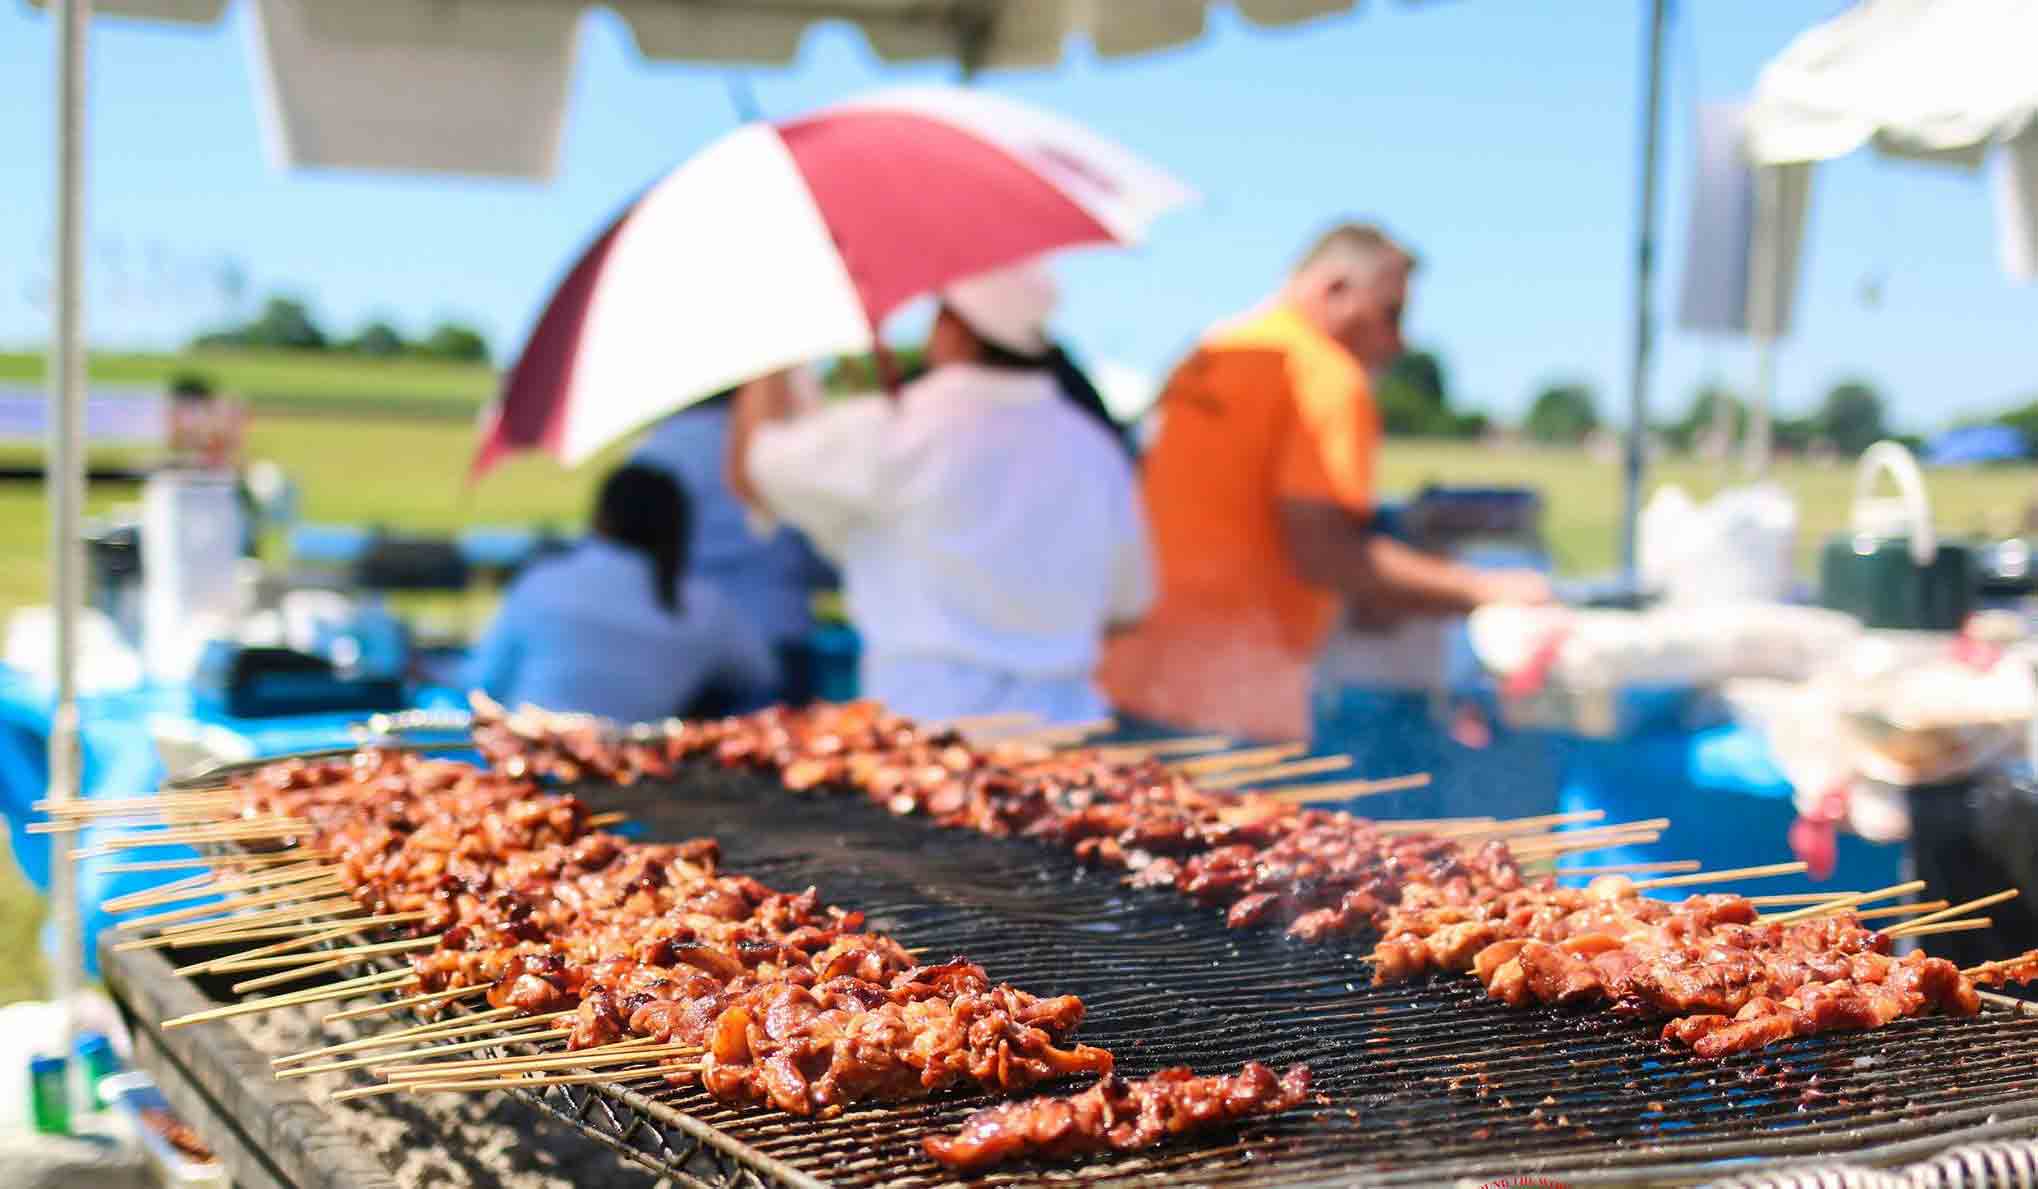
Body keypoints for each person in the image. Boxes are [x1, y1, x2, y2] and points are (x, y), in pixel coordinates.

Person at [1099, 222, 1551, 744]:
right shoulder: (1327, 377)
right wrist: (1486, 588)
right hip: (1229, 697)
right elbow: (1324, 550)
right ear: (1335, 288)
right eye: (1391, 314)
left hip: (1130, 672)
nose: (1398, 341)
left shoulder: (1213, 350)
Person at [725, 261, 1153, 724]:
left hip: (927, 725)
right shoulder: (1095, 450)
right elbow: (1128, 605)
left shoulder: (897, 429)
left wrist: (771, 349)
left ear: (956, 329)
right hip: (1070, 723)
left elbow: (753, 469)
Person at [467, 463, 776, 722]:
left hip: (532, 758)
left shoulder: (543, 583)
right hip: (641, 769)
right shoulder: (706, 606)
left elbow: (482, 683)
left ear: (602, 517)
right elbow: (761, 676)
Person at [632, 389, 834, 704]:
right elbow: (824, 556)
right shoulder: (785, 446)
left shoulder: (654, 450)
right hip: (777, 630)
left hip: (685, 641)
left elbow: (630, 559)